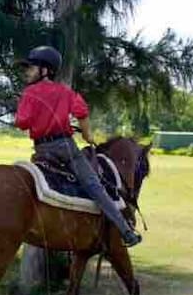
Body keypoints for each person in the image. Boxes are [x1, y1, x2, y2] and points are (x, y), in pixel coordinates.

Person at [15, 45, 142, 248]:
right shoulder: (65, 92)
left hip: (42, 151)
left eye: (31, 67)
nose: (27, 72)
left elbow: (22, 122)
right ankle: (126, 231)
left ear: (45, 70)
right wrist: (87, 135)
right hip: (66, 147)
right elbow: (82, 112)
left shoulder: (29, 93)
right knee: (95, 186)